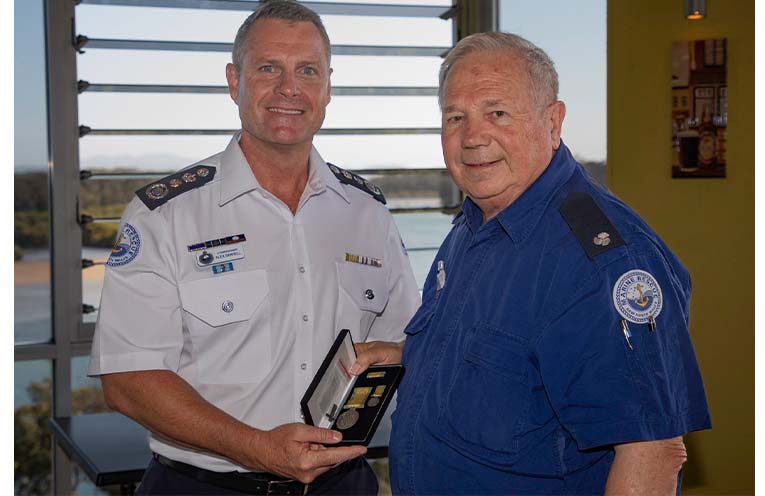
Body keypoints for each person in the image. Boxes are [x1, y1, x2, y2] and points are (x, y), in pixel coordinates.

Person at [88, 1, 420, 494]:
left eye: (307, 70)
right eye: (268, 68)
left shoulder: (366, 212)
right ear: (234, 81)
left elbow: (409, 340)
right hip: (203, 486)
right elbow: (128, 379)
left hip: (342, 482)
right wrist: (257, 448)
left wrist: (401, 352)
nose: (289, 88)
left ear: (328, 87)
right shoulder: (165, 214)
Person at [386, 32, 712, 495]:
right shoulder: (475, 221)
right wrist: (407, 355)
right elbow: (506, 363)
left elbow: (653, 452)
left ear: (553, 122)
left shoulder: (603, 263)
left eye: (497, 113)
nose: (472, 137)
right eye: (455, 117)